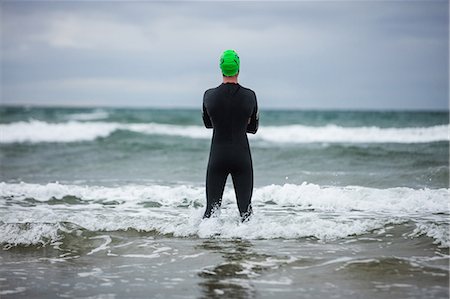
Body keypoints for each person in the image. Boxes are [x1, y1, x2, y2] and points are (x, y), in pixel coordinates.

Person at [202, 49, 259, 222]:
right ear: (238, 69)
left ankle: (207, 245)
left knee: (211, 211)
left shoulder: (209, 95)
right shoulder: (250, 96)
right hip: (242, 156)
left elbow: (208, 124)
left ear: (221, 69)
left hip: (217, 156)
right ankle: (245, 246)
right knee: (245, 212)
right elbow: (253, 128)